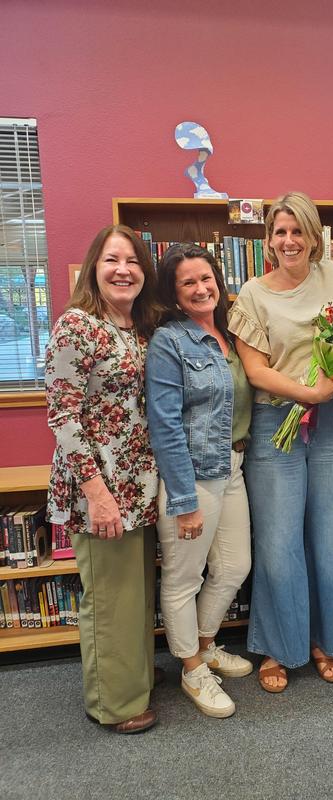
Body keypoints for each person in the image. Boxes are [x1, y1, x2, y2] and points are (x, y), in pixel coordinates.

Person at [228, 191, 333, 692]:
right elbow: (255, 371)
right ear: (268, 240)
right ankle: (279, 645)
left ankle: (326, 641)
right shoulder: (252, 293)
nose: (289, 241)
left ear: (315, 238)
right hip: (278, 426)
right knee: (278, 544)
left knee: (331, 541)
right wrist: (311, 391)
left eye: (299, 231)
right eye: (280, 232)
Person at [45, 224, 162, 734]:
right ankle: (113, 703)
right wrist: (97, 494)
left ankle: (133, 677)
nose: (123, 269)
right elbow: (62, 415)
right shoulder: (77, 326)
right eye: (112, 260)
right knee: (110, 598)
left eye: (133, 261)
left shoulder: (137, 328)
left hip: (136, 484)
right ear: (95, 267)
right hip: (100, 487)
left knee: (135, 591)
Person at [145, 244, 253, 718]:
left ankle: (205, 645)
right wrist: (184, 498)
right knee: (184, 578)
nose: (200, 288)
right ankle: (192, 668)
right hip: (192, 476)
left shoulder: (230, 332)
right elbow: (164, 422)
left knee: (234, 567)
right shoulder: (170, 342)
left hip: (233, 467)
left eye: (205, 278)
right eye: (188, 282)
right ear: (174, 293)